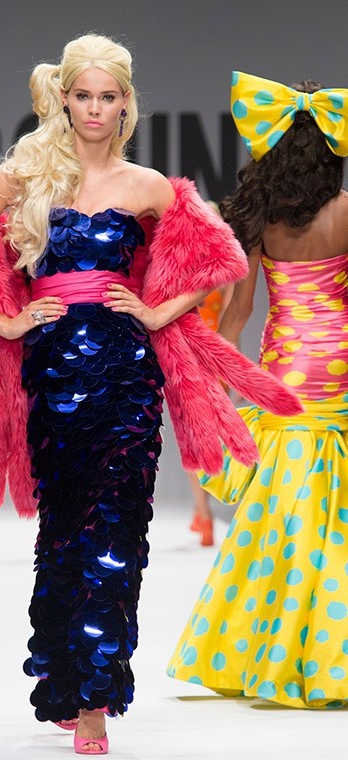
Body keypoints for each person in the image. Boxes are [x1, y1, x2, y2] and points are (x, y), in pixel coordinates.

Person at [0, 42, 301, 755]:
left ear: (126, 104)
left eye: (108, 96)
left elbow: (223, 259)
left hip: (126, 374)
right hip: (53, 372)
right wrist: (4, 320)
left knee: (118, 529)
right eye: (84, 95)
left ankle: (94, 699)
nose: (95, 108)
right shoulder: (26, 174)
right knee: (64, 528)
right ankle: (65, 678)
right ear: (65, 99)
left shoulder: (147, 185)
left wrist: (156, 311)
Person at [167, 71, 348, 709]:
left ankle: (270, 647)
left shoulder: (261, 218)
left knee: (285, 514)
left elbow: (237, 314)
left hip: (287, 367)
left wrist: (216, 391)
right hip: (341, 366)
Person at [187, 201, 234, 547]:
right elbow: (234, 318)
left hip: (189, 353)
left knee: (194, 438)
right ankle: (203, 510)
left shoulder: (184, 262)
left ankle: (203, 512)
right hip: (216, 353)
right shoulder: (227, 266)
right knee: (209, 437)